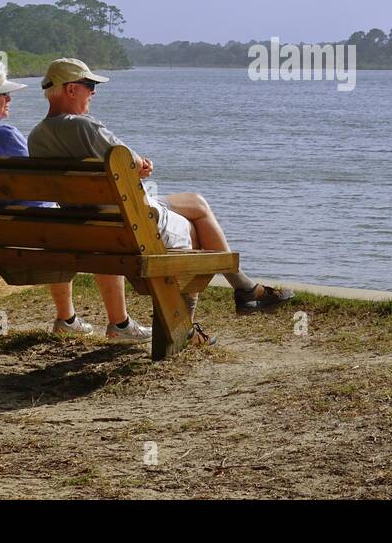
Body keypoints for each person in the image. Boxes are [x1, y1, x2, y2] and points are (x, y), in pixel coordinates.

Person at [28, 58, 293, 344]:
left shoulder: (36, 137)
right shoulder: (83, 127)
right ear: (70, 90)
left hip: (93, 225)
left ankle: (244, 288)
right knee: (193, 230)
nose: (93, 92)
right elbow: (128, 160)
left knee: (197, 202)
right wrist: (141, 164)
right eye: (89, 85)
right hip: (129, 220)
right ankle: (186, 329)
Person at [0, 60, 153, 344]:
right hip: (29, 229)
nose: (9, 99)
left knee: (56, 218)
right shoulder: (5, 135)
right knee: (98, 228)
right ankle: (119, 322)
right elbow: (44, 178)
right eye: (3, 94)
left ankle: (67, 319)